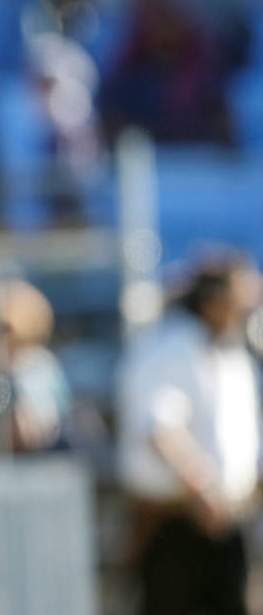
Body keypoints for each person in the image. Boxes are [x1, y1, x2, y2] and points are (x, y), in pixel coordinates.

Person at [116, 253, 262, 615]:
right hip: (178, 523)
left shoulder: (230, 352)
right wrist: (205, 491)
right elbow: (160, 429)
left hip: (224, 521)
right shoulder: (173, 348)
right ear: (213, 302)